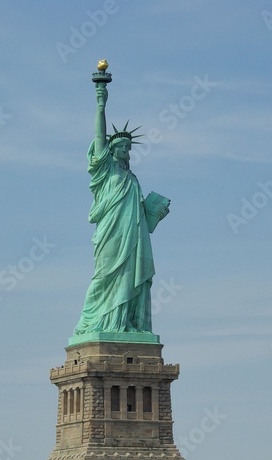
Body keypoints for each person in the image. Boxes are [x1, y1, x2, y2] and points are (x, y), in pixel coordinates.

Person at [73, 76, 170, 337]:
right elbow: (98, 137)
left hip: (134, 238)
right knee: (104, 277)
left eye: (129, 147)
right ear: (112, 151)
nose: (127, 151)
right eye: (122, 147)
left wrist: (155, 214)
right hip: (111, 234)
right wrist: (101, 103)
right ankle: (97, 323)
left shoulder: (133, 179)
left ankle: (126, 324)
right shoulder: (105, 171)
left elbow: (141, 220)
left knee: (130, 278)